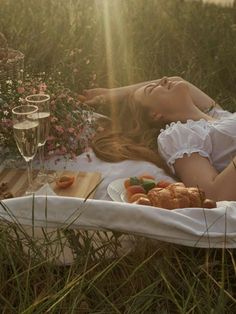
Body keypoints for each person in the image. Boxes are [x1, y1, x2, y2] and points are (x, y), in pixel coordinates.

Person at [81, 76, 236, 202]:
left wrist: (111, 93)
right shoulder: (179, 136)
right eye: (152, 88)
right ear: (155, 115)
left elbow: (176, 78)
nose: (163, 80)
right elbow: (213, 195)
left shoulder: (217, 114)